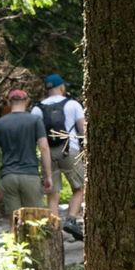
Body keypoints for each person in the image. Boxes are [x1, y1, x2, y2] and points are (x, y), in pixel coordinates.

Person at [32, 73, 87, 233]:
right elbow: (82, 128)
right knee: (80, 187)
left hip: (48, 153)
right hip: (69, 150)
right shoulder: (73, 104)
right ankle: (71, 219)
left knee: (52, 192)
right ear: (61, 87)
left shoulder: (37, 108)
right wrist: (85, 148)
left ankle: (54, 230)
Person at [0, 89, 52, 217]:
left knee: (15, 221)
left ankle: (14, 236)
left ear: (8, 102)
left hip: (8, 177)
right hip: (30, 176)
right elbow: (44, 148)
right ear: (27, 101)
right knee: (35, 219)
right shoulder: (35, 120)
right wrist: (48, 176)